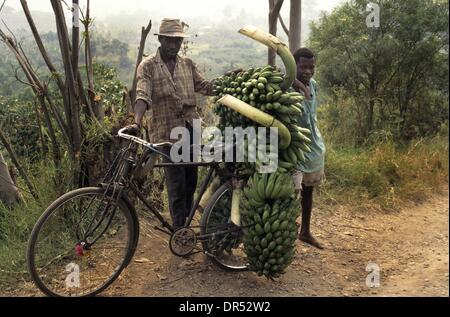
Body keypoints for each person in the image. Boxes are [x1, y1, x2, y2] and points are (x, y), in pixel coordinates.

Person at [124, 18, 215, 230]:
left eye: (178, 41)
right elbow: (142, 95)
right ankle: (178, 228)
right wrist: (136, 122)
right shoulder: (148, 66)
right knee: (176, 183)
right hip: (167, 134)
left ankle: (185, 224)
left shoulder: (187, 64)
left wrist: (228, 81)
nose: (174, 45)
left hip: (190, 129)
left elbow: (204, 86)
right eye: (170, 40)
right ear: (161, 39)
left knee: (191, 181)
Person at [291, 48, 326, 249]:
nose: (307, 71)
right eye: (303, 66)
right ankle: (287, 230)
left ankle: (305, 231)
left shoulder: (313, 85)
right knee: (291, 191)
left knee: (308, 190)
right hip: (293, 145)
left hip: (312, 145)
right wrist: (295, 85)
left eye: (311, 67)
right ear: (294, 65)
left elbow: (312, 115)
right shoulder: (287, 86)